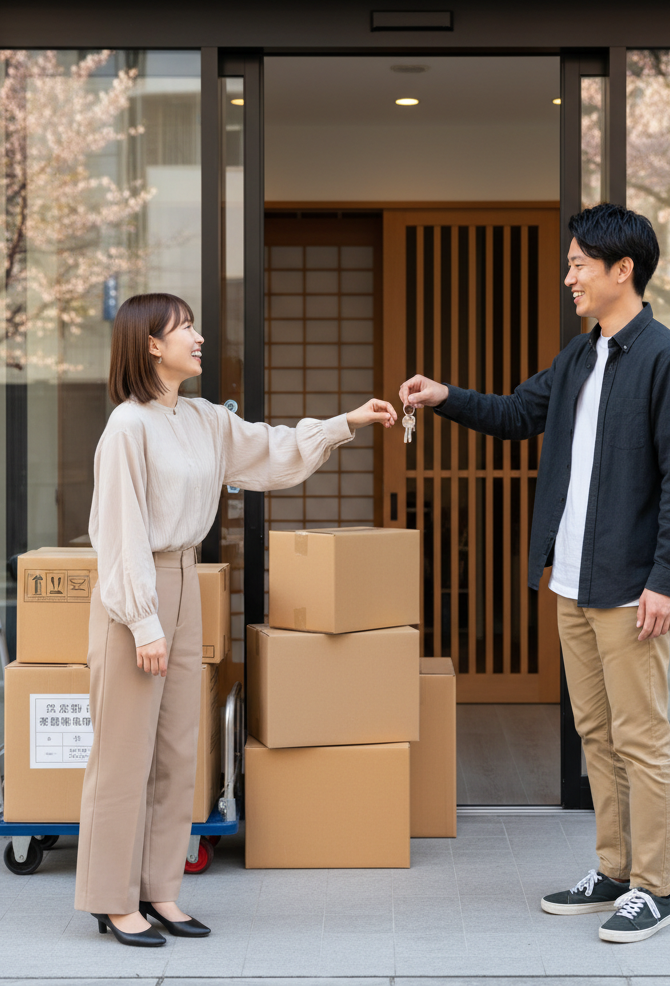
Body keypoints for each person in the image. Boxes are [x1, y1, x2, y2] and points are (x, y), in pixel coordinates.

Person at [399, 204, 670, 944]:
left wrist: (666, 579)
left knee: (641, 738)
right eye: (569, 264)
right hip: (570, 581)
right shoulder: (579, 357)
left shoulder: (667, 359)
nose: (568, 277)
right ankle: (615, 870)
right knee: (596, 734)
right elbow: (514, 414)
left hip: (630, 588)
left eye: (578, 264)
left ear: (622, 269)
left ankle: (655, 887)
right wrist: (443, 397)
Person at [75, 292, 396, 946]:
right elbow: (118, 534)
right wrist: (143, 623)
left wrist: (347, 422)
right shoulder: (127, 427)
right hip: (136, 594)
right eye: (185, 329)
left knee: (177, 751)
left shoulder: (203, 419)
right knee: (123, 755)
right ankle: (112, 900)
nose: (198, 338)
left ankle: (160, 891)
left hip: (187, 581)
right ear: (151, 346)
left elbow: (272, 450)